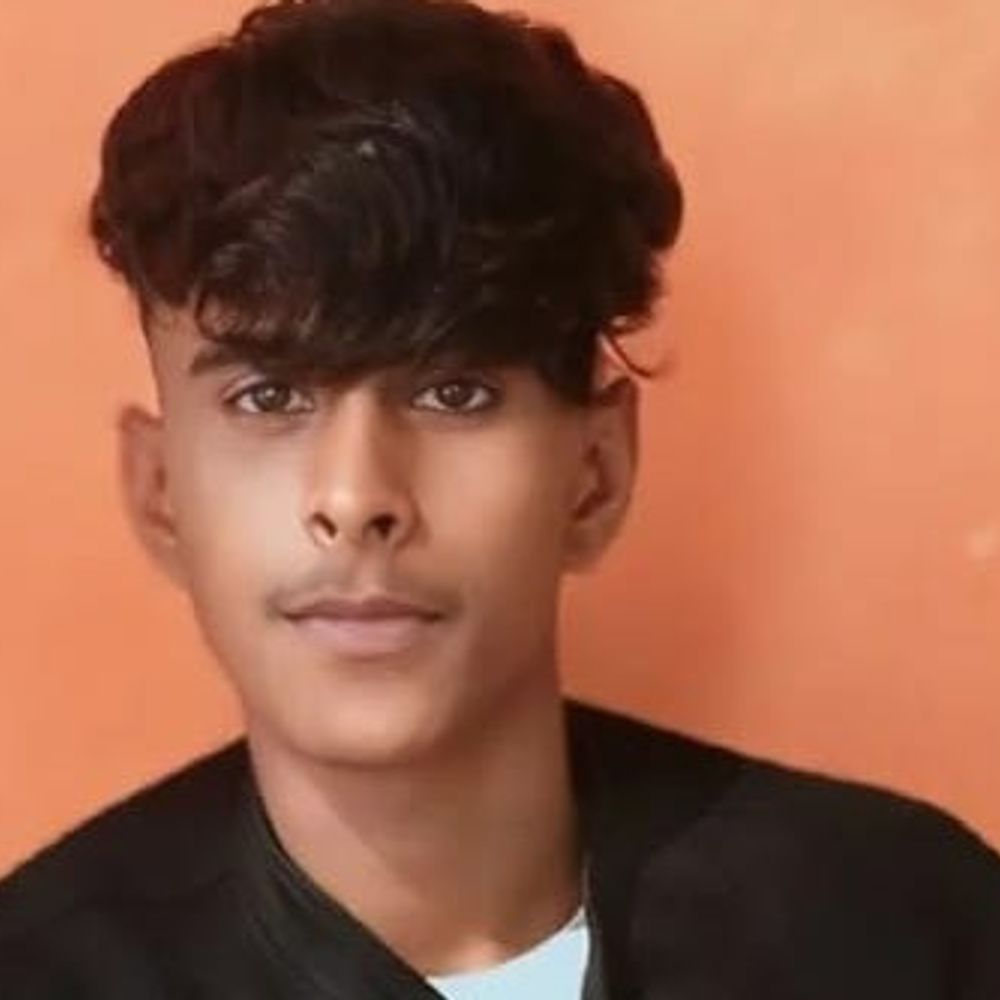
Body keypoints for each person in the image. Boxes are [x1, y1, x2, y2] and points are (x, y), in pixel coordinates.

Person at [1, 0, 997, 996]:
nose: (356, 496)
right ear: (160, 493)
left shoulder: (908, 930)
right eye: (268, 397)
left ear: (595, 475)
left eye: (454, 393)